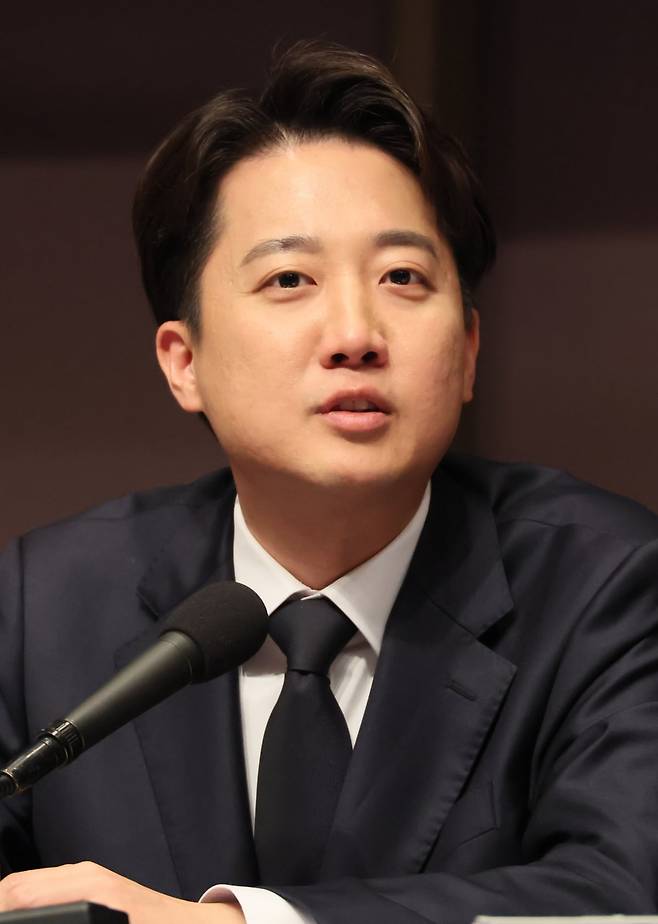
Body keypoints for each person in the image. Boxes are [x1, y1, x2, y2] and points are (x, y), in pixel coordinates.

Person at [1, 40, 657, 924]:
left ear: (468, 351)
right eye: (290, 279)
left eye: (402, 277)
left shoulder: (608, 586)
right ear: (184, 361)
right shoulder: (44, 607)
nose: (354, 333)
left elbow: (622, 891)